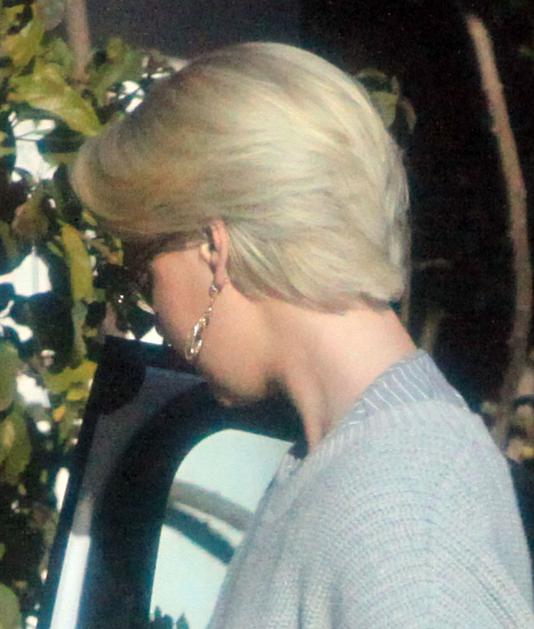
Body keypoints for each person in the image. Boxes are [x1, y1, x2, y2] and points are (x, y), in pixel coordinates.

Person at [71, 42, 533, 627]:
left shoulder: (405, 527)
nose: (153, 311)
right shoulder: (345, 462)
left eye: (144, 272)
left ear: (214, 248)